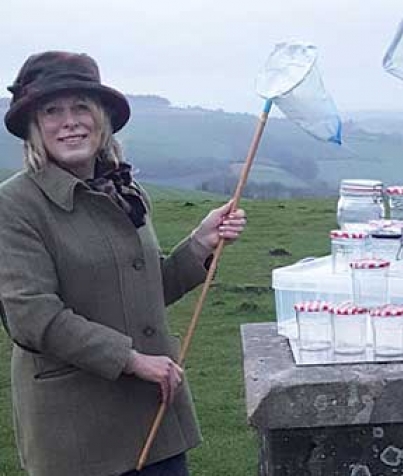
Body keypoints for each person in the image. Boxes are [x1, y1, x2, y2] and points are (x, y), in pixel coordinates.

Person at [0, 51, 247, 476]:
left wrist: (199, 244)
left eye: (82, 107)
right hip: (79, 435)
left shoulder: (124, 190)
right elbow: (32, 317)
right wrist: (133, 360)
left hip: (155, 417)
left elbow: (143, 289)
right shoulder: (15, 204)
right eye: (53, 111)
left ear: (102, 119)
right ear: (35, 128)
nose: (70, 121)